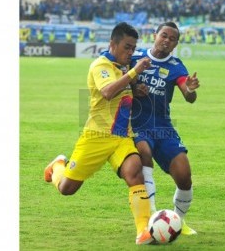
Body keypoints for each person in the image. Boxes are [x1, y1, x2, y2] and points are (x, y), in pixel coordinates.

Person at [44, 22, 154, 245]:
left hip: (122, 137)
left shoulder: (123, 65)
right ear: (112, 44)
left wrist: (136, 89)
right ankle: (57, 166)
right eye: (126, 47)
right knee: (67, 189)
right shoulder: (100, 66)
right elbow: (107, 92)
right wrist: (135, 71)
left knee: (135, 173)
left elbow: (123, 91)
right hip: (96, 137)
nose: (130, 52)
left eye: (133, 48)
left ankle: (143, 231)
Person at [130, 21, 200, 235]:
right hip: (138, 124)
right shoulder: (136, 57)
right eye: (164, 35)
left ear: (176, 43)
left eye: (172, 39)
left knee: (184, 176)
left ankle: (179, 221)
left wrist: (190, 89)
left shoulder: (176, 66)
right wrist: (133, 87)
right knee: (144, 154)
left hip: (163, 127)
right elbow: (118, 78)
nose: (167, 41)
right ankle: (151, 217)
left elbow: (188, 96)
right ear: (155, 35)